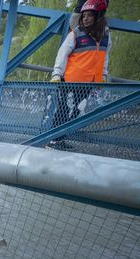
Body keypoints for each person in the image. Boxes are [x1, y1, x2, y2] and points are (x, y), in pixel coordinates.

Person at [49, 0, 110, 148]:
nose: (86, 19)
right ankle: (52, 140)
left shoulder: (106, 36)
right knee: (63, 110)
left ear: (98, 17)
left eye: (90, 15)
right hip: (70, 81)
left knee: (76, 111)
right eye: (84, 16)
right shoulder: (75, 34)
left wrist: (103, 75)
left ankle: (59, 139)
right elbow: (62, 53)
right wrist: (57, 74)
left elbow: (105, 57)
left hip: (88, 83)